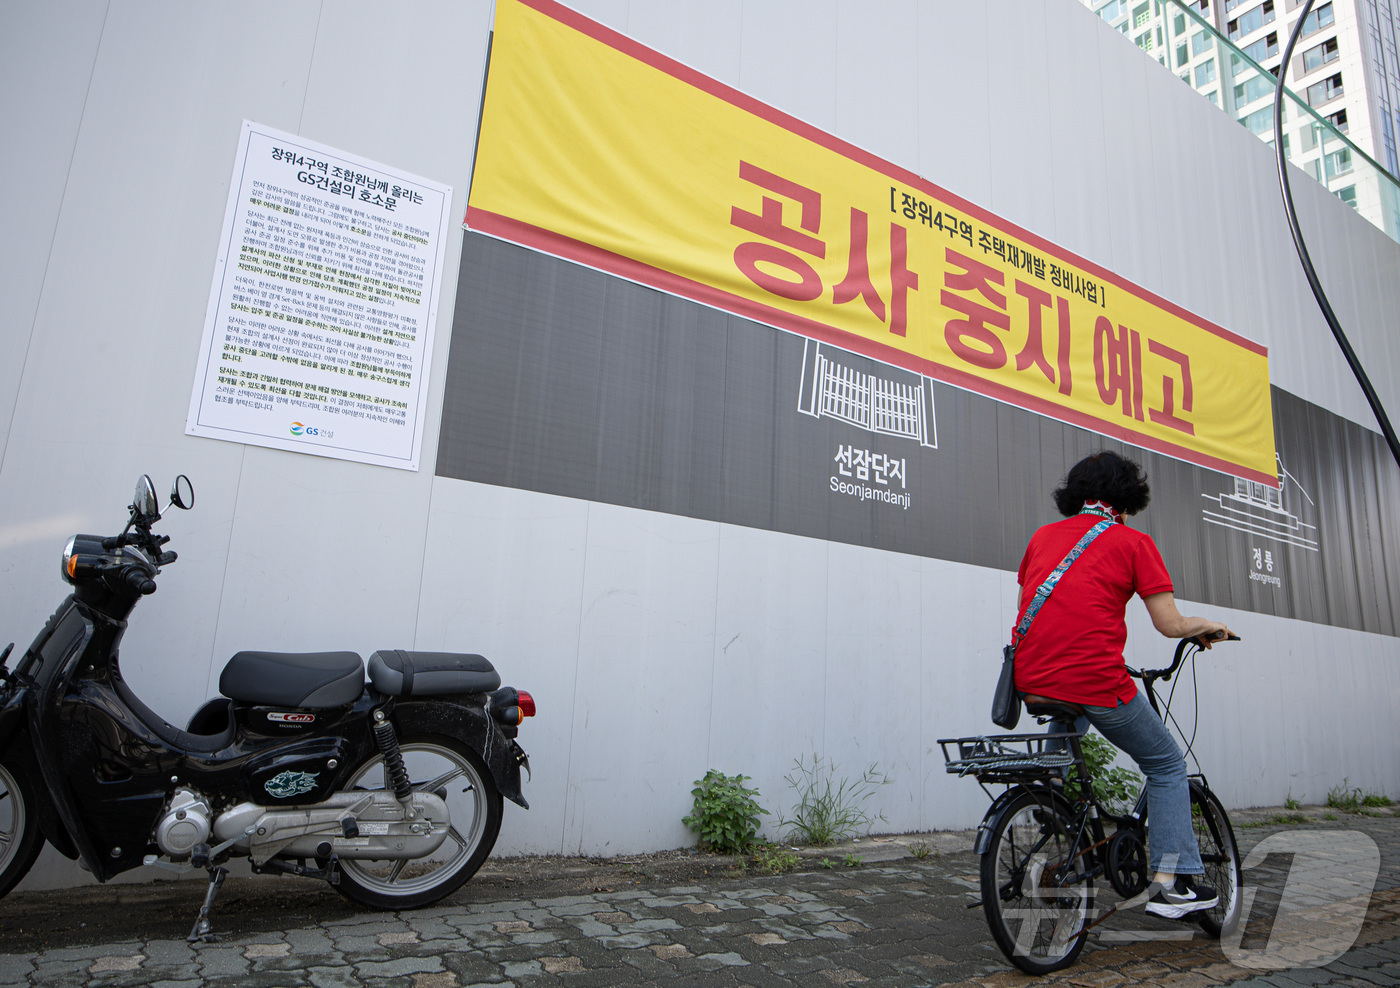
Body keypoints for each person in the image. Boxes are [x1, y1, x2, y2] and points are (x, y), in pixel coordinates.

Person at [1012, 450, 1234, 919]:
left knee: (1071, 706)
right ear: (1125, 498)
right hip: (1094, 678)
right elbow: (1170, 624)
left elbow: (1033, 608)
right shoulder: (1132, 542)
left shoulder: (1041, 538)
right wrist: (1207, 625)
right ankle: (1171, 884)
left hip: (1031, 677)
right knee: (1167, 763)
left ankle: (1054, 789)